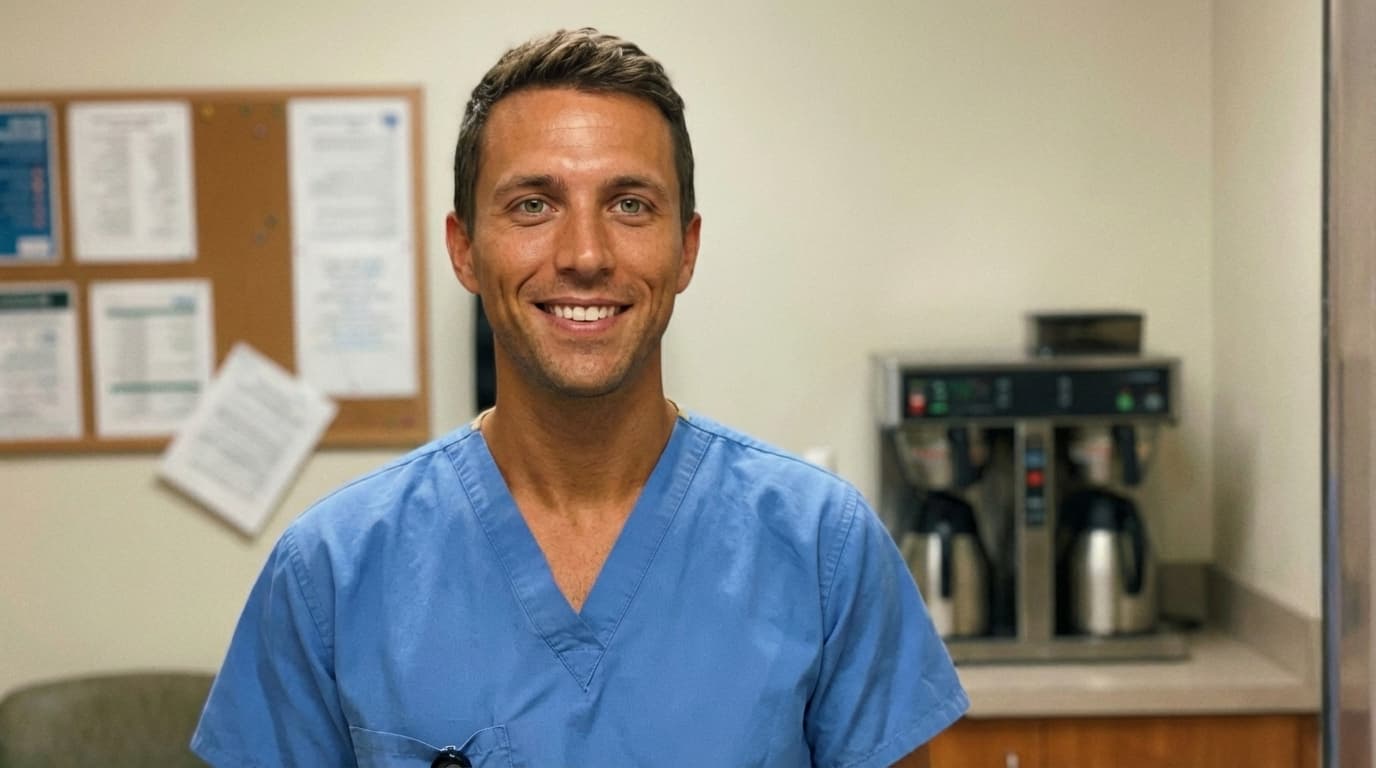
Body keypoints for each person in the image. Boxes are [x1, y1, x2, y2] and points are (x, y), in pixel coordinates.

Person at [191, 27, 967, 767]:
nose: (586, 256)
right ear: (465, 249)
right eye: (533, 204)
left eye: (630, 204)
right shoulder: (332, 573)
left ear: (686, 248)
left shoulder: (822, 551)